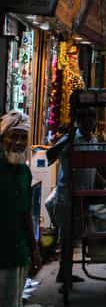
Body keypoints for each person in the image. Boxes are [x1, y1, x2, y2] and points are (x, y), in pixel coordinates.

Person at [49, 107, 104, 286]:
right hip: (68, 195)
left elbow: (93, 169)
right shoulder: (71, 139)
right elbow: (50, 156)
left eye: (92, 117)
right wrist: (66, 142)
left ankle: (66, 273)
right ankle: (64, 278)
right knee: (67, 238)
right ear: (78, 121)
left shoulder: (94, 140)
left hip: (84, 195)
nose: (89, 121)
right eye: (85, 118)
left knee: (74, 237)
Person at [0, 119, 41, 307]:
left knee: (14, 301)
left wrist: (34, 250)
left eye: (23, 138)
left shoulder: (25, 172)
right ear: (3, 139)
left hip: (19, 252)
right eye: (13, 136)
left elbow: (26, 213)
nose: (18, 142)